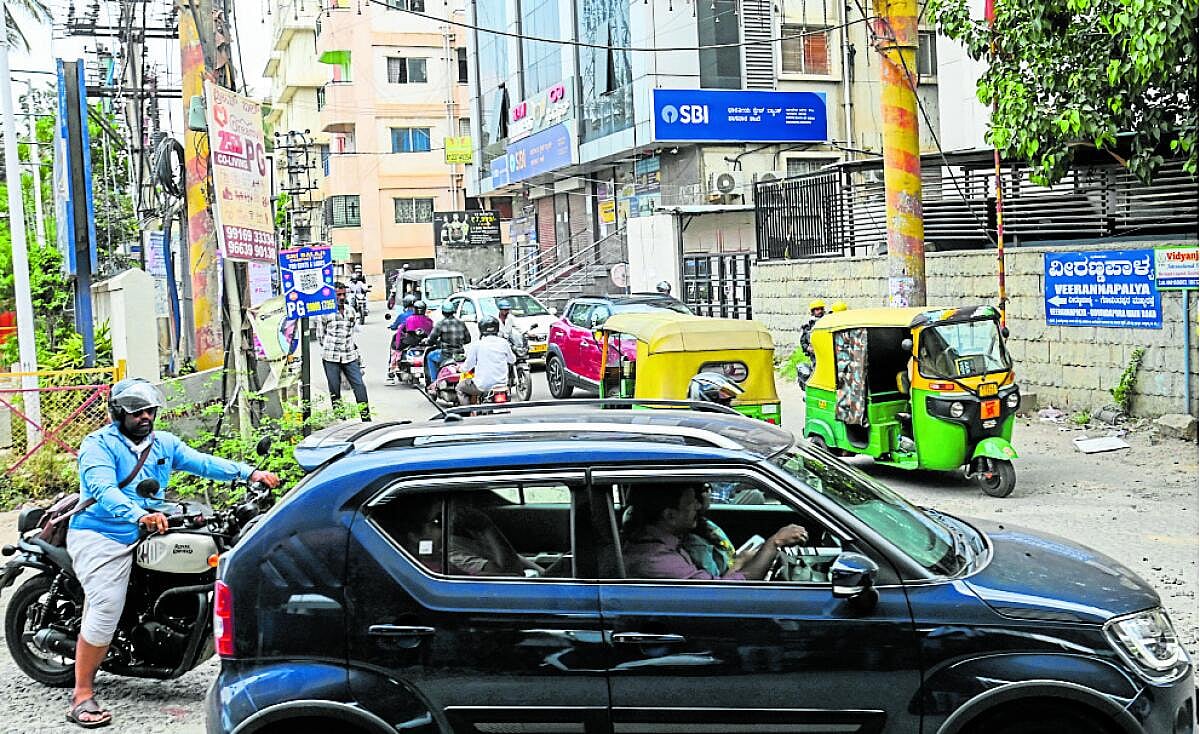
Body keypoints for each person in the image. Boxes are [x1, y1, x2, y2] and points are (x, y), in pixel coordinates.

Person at [65, 379, 280, 728]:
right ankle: (82, 693)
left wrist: (250, 474)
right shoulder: (98, 446)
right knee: (105, 606)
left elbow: (202, 462)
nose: (146, 417)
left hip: (152, 527)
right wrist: (139, 515)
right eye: (137, 413)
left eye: (150, 411)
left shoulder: (163, 443)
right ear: (118, 414)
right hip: (103, 533)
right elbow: (104, 489)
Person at [622, 484, 807, 581]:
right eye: (691, 503)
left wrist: (740, 562)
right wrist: (774, 543)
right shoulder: (656, 559)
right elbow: (723, 593)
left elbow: (717, 585)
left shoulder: (670, 542)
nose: (698, 506)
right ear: (670, 515)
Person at [313, 282, 371, 421]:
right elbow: (320, 336)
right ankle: (340, 418)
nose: (342, 297)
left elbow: (351, 332)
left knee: (359, 385)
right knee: (334, 388)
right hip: (331, 356)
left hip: (349, 355)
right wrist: (331, 346)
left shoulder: (351, 311)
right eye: (338, 295)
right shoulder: (324, 313)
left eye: (344, 294)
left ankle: (366, 418)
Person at [457, 315, 515, 405]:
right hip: (502, 385)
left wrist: (459, 369)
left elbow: (467, 367)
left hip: (482, 386)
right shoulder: (504, 343)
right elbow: (512, 360)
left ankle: (468, 411)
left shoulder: (477, 345)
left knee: (460, 387)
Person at [424, 301, 472, 386]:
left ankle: (434, 382)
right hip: (459, 355)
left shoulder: (440, 324)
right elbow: (468, 340)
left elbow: (431, 340)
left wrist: (428, 341)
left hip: (445, 354)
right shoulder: (461, 323)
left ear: (443, 312)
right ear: (453, 311)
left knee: (430, 356)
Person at [799, 298, 827, 362]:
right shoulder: (808, 326)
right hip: (815, 356)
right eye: (817, 309)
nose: (820, 311)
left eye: (821, 309)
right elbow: (803, 342)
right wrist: (808, 348)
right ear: (813, 311)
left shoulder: (828, 321)